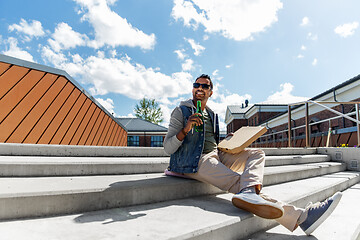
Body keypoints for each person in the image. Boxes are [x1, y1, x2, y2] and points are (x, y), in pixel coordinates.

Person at [163, 74, 342, 235]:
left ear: (211, 92)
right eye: (196, 85)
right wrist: (185, 129)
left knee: (256, 153)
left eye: (205, 86)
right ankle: (302, 217)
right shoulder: (181, 111)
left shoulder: (212, 115)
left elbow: (210, 142)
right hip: (194, 161)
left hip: (216, 154)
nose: (200, 89)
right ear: (193, 88)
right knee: (240, 183)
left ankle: (250, 192)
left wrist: (228, 141)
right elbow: (168, 148)